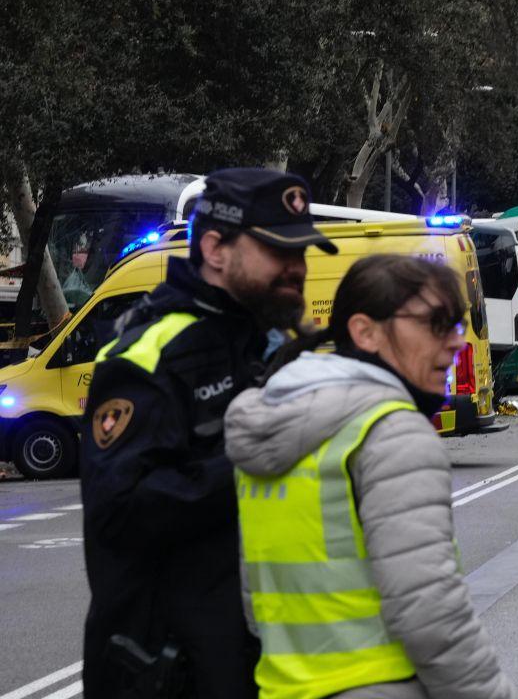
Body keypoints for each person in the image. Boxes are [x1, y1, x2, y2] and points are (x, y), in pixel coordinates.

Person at [80, 168, 337, 698]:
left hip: (260, 663)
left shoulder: (273, 344)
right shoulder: (149, 353)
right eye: (279, 251)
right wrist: (252, 461)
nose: (297, 267)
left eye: (302, 252)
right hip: (166, 674)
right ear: (216, 249)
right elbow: (120, 512)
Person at [225, 254, 518, 699]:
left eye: (458, 325)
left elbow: (254, 606)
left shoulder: (270, 428)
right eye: (436, 324)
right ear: (365, 332)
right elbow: (431, 614)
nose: (457, 343)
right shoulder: (390, 432)